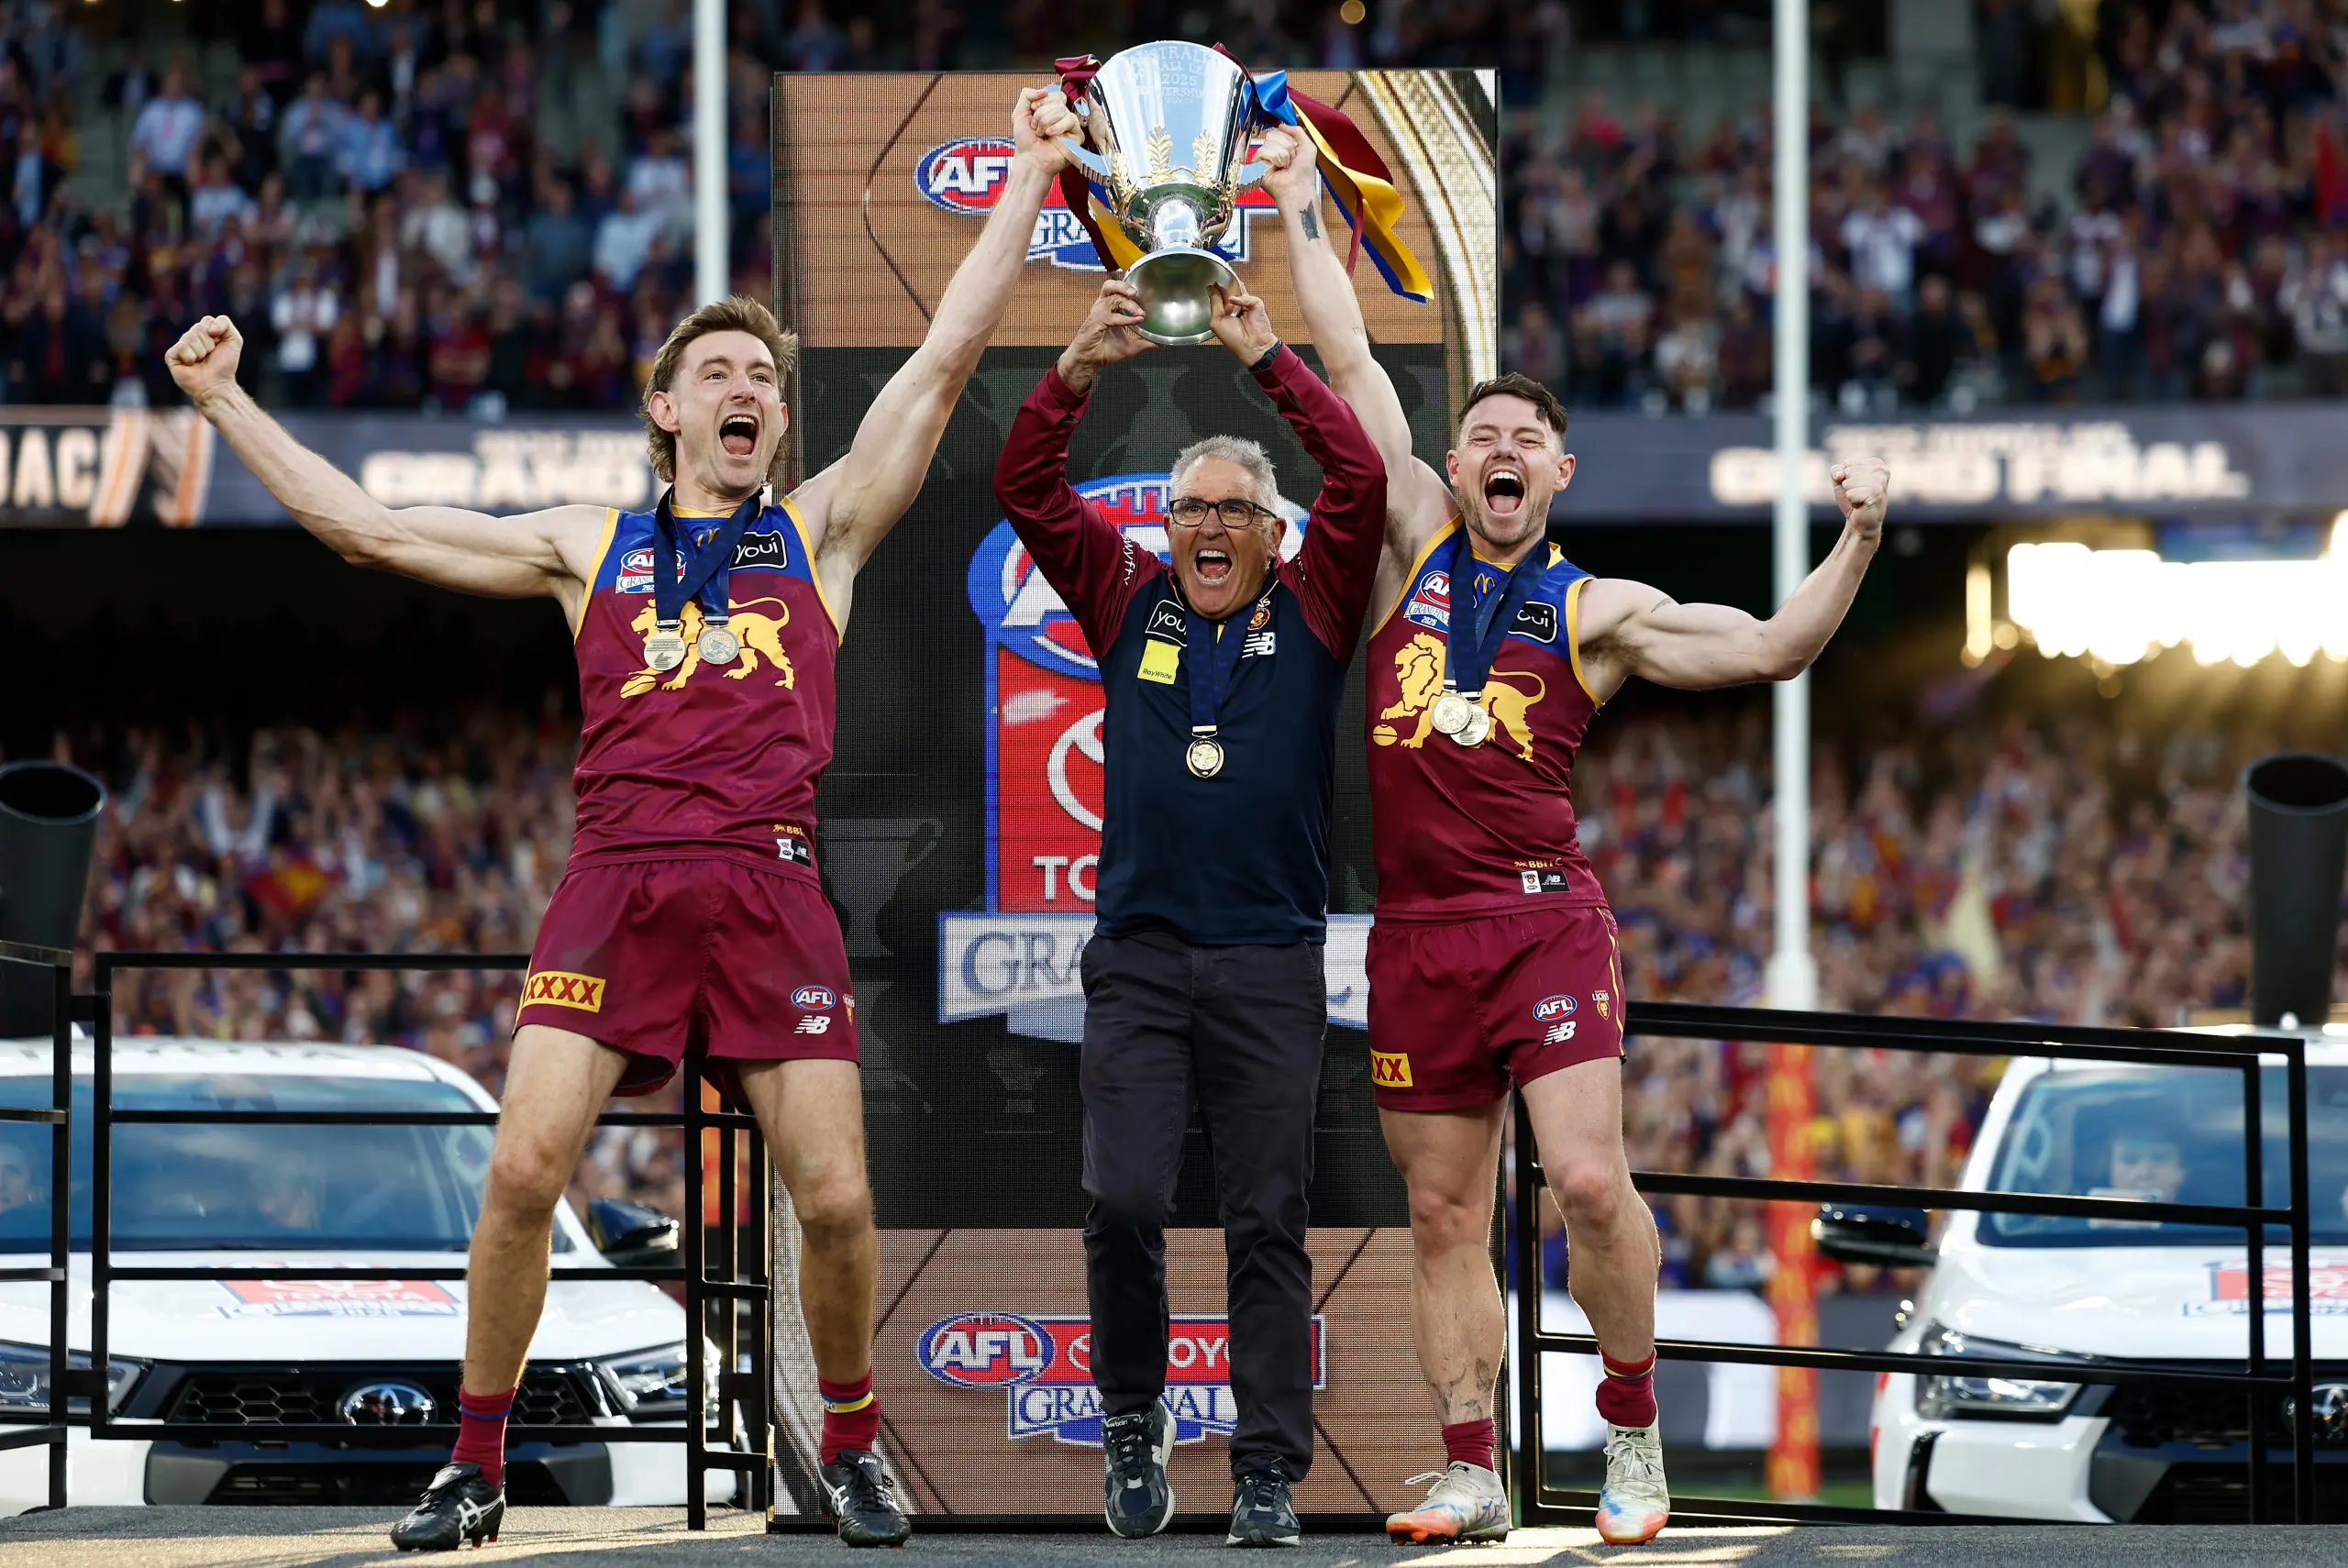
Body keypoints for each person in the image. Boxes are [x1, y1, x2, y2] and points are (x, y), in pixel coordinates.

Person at [164, 85, 1082, 1553]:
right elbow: (366, 527)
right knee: (523, 1170)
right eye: (719, 372)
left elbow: (944, 352)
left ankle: (851, 1445)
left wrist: (1033, 175)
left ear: (779, 418)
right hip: (618, 880)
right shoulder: (585, 547)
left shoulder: (824, 529)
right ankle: (474, 1461)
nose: (748, 390)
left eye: (765, 379)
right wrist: (225, 405)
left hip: (771, 884)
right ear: (665, 409)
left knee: (837, 1202)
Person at [1261, 123, 1891, 1547]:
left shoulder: (1597, 607)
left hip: (1543, 918)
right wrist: (1305, 208)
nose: (1496, 450)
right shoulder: (1414, 540)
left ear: (1560, 471)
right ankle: (1471, 1462)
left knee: (1592, 1181)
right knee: (1438, 1215)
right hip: (1416, 931)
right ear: (1457, 459)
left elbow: (1778, 648)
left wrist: (1854, 537)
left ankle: (1630, 1429)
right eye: (1479, 432)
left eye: (1522, 440)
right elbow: (1355, 365)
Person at [991, 275, 1386, 1548]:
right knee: (1122, 1197)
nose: (1209, 527)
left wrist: (1269, 354)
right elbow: (1026, 486)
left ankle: (1267, 1470)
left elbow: (1364, 479)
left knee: (1270, 1216)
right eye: (1189, 510)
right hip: (1145, 963)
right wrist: (1076, 366)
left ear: (1273, 531)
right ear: (1165, 530)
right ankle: (1130, 1420)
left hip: (1273, 960)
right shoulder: (1126, 597)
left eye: (1234, 510)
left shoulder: (1317, 604)